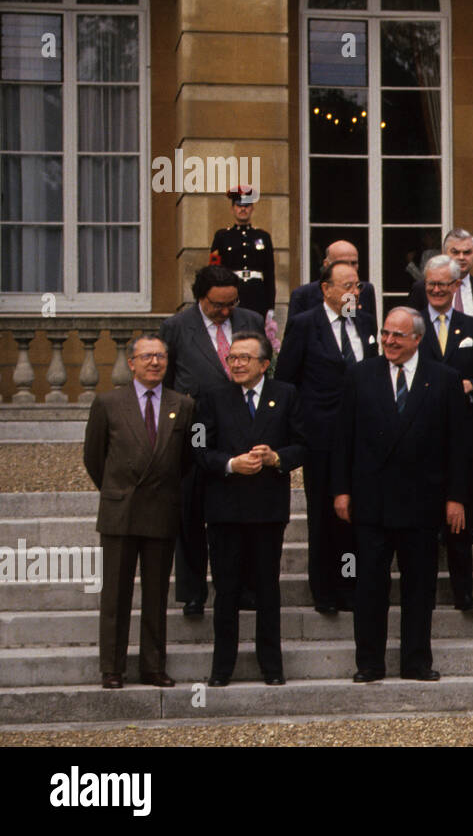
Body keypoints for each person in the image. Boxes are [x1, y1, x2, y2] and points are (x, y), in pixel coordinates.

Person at [331, 307, 469, 682]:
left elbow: (459, 446)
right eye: (385, 333)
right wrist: (341, 490)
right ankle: (370, 663)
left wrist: (456, 497)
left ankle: (415, 662)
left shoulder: (444, 379)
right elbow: (343, 438)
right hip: (371, 502)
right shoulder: (361, 375)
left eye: (398, 335)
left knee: (419, 588)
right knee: (370, 587)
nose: (389, 341)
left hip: (422, 503)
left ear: (418, 339)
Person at [194, 332, 307, 686]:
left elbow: (305, 444)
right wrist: (229, 463)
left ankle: (271, 667)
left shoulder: (285, 395)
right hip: (225, 510)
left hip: (266, 510)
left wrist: (277, 458)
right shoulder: (211, 397)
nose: (237, 364)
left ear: (264, 364)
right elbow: (197, 446)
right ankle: (221, 668)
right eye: (232, 358)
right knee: (225, 591)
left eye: (245, 358)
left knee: (267, 590)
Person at [83, 335, 195, 689]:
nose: (155, 362)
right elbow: (94, 457)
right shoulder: (108, 403)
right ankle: (112, 667)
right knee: (115, 595)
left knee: (156, 595)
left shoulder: (183, 404)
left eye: (161, 356)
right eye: (147, 356)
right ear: (131, 362)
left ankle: (153, 666)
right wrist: (116, 492)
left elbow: (187, 459)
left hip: (161, 509)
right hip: (121, 511)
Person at [160, 264, 265, 616]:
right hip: (194, 428)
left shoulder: (250, 319)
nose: (225, 311)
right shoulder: (175, 327)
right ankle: (193, 591)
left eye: (230, 303)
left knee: (243, 512)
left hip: (241, 427)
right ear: (200, 298)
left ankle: (242, 587)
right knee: (190, 512)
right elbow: (168, 382)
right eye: (217, 305)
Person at [275, 260, 379, 614]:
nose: (354, 292)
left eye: (357, 286)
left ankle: (349, 584)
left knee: (352, 516)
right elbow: (287, 379)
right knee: (323, 514)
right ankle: (324, 590)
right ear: (326, 289)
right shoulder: (305, 325)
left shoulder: (365, 323)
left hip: (360, 436)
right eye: (347, 286)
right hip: (320, 437)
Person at [416, 254, 473, 612]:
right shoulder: (413, 325)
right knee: (424, 521)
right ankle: (424, 592)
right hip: (420, 433)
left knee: (460, 514)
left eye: (443, 284)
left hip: (462, 432)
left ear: (456, 286)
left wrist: (470, 386)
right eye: (430, 284)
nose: (436, 290)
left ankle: (464, 592)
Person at [407, 229, 473, 343]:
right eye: (455, 252)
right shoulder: (422, 289)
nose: (461, 257)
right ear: (444, 254)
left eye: (467, 252)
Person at [209, 185, 276, 318]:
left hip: (257, 294)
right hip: (232, 294)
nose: (243, 209)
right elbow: (214, 270)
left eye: (246, 206)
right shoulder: (222, 236)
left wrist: (270, 306)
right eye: (239, 205)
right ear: (233, 208)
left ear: (252, 208)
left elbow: (269, 273)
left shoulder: (263, 237)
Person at [287, 239, 377, 322]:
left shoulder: (365, 290)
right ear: (326, 265)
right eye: (342, 263)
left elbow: (369, 335)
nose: (349, 268)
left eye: (354, 263)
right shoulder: (303, 296)